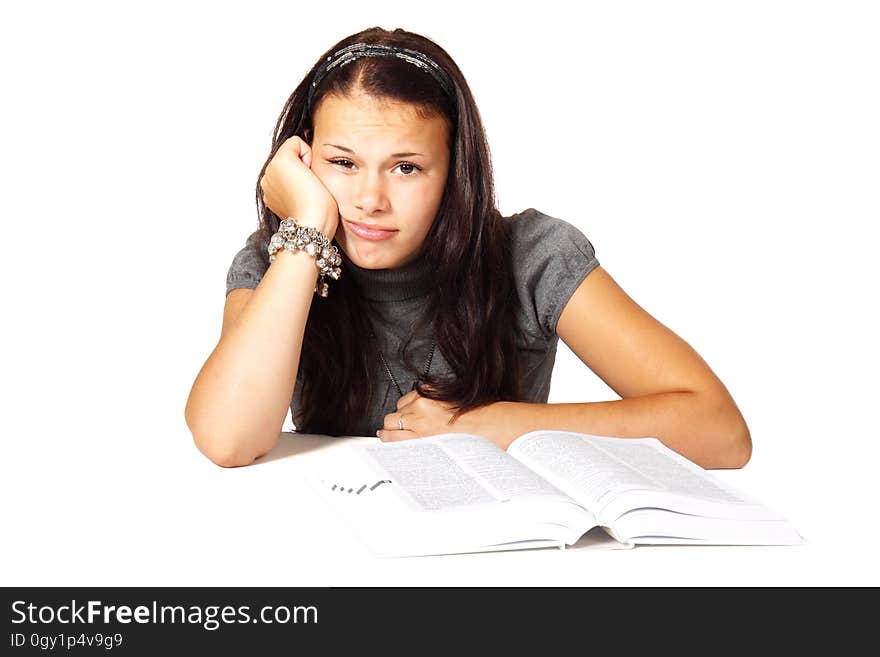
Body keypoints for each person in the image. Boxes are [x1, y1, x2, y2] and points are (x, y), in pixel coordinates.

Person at [184, 26, 751, 470]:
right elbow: (226, 440)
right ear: (303, 160)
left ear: (454, 173)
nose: (369, 198)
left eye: (406, 167)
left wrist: (494, 425)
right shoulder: (280, 262)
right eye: (342, 163)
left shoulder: (534, 255)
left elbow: (719, 429)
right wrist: (307, 226)